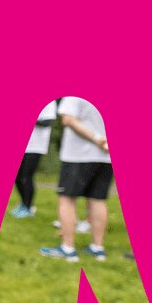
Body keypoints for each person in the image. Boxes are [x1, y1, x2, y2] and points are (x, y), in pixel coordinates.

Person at [40, 96, 111, 262]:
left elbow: (68, 119)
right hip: (106, 157)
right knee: (97, 200)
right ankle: (97, 248)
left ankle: (68, 249)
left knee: (67, 199)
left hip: (78, 156)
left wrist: (97, 138)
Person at [11, 100, 57, 218]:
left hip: (36, 146)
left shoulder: (49, 103)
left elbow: (48, 122)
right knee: (17, 176)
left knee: (26, 176)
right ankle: (23, 204)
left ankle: (29, 207)